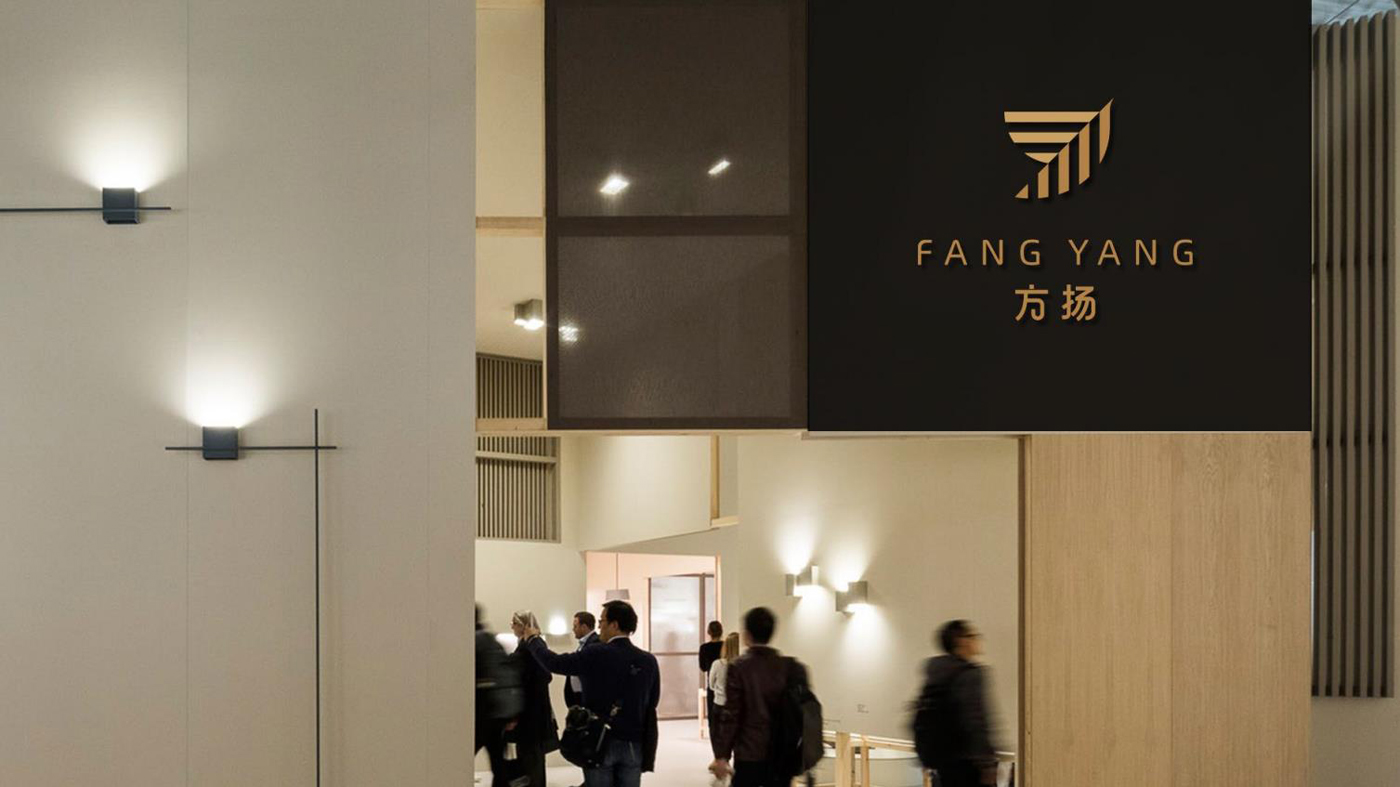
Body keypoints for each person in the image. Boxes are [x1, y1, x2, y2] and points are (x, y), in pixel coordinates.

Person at [520, 600, 660, 787]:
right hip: (634, 743)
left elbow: (555, 663)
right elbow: (653, 701)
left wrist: (533, 640)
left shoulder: (596, 653)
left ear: (614, 625)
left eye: (602, 621)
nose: (599, 626)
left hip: (599, 740)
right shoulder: (648, 661)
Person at [709, 607, 812, 787]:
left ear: (747, 635)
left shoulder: (739, 668)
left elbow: (731, 715)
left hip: (749, 753)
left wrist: (722, 755)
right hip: (782, 752)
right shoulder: (790, 667)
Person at [912, 620, 997, 787]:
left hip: (942, 761)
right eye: (972, 636)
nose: (977, 640)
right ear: (960, 641)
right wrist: (987, 763)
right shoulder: (970, 675)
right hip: (968, 763)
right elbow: (976, 721)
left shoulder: (935, 672)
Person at [506, 611, 560, 787]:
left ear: (523, 626)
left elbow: (528, 679)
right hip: (535, 711)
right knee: (532, 758)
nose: (512, 626)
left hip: (529, 713)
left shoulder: (528, 649)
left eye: (514, 623)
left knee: (530, 758)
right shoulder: (532, 647)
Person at [476, 605, 524, 787]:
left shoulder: (475, 640)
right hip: (499, 711)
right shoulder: (491, 640)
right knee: (498, 759)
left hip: (483, 710)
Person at [707, 632, 741, 741]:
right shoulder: (743, 665)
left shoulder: (717, 664)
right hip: (738, 707)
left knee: (719, 739)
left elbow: (711, 685)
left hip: (720, 703)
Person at [566, 611, 602, 709]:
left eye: (575, 626)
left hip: (587, 697)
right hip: (579, 697)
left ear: (584, 627)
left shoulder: (595, 644)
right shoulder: (584, 644)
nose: (573, 629)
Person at [698, 621, 724, 736]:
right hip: (725, 685)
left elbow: (703, 667)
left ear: (709, 632)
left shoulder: (704, 648)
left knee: (713, 718)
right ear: (721, 631)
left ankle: (714, 738)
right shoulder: (725, 646)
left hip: (712, 685)